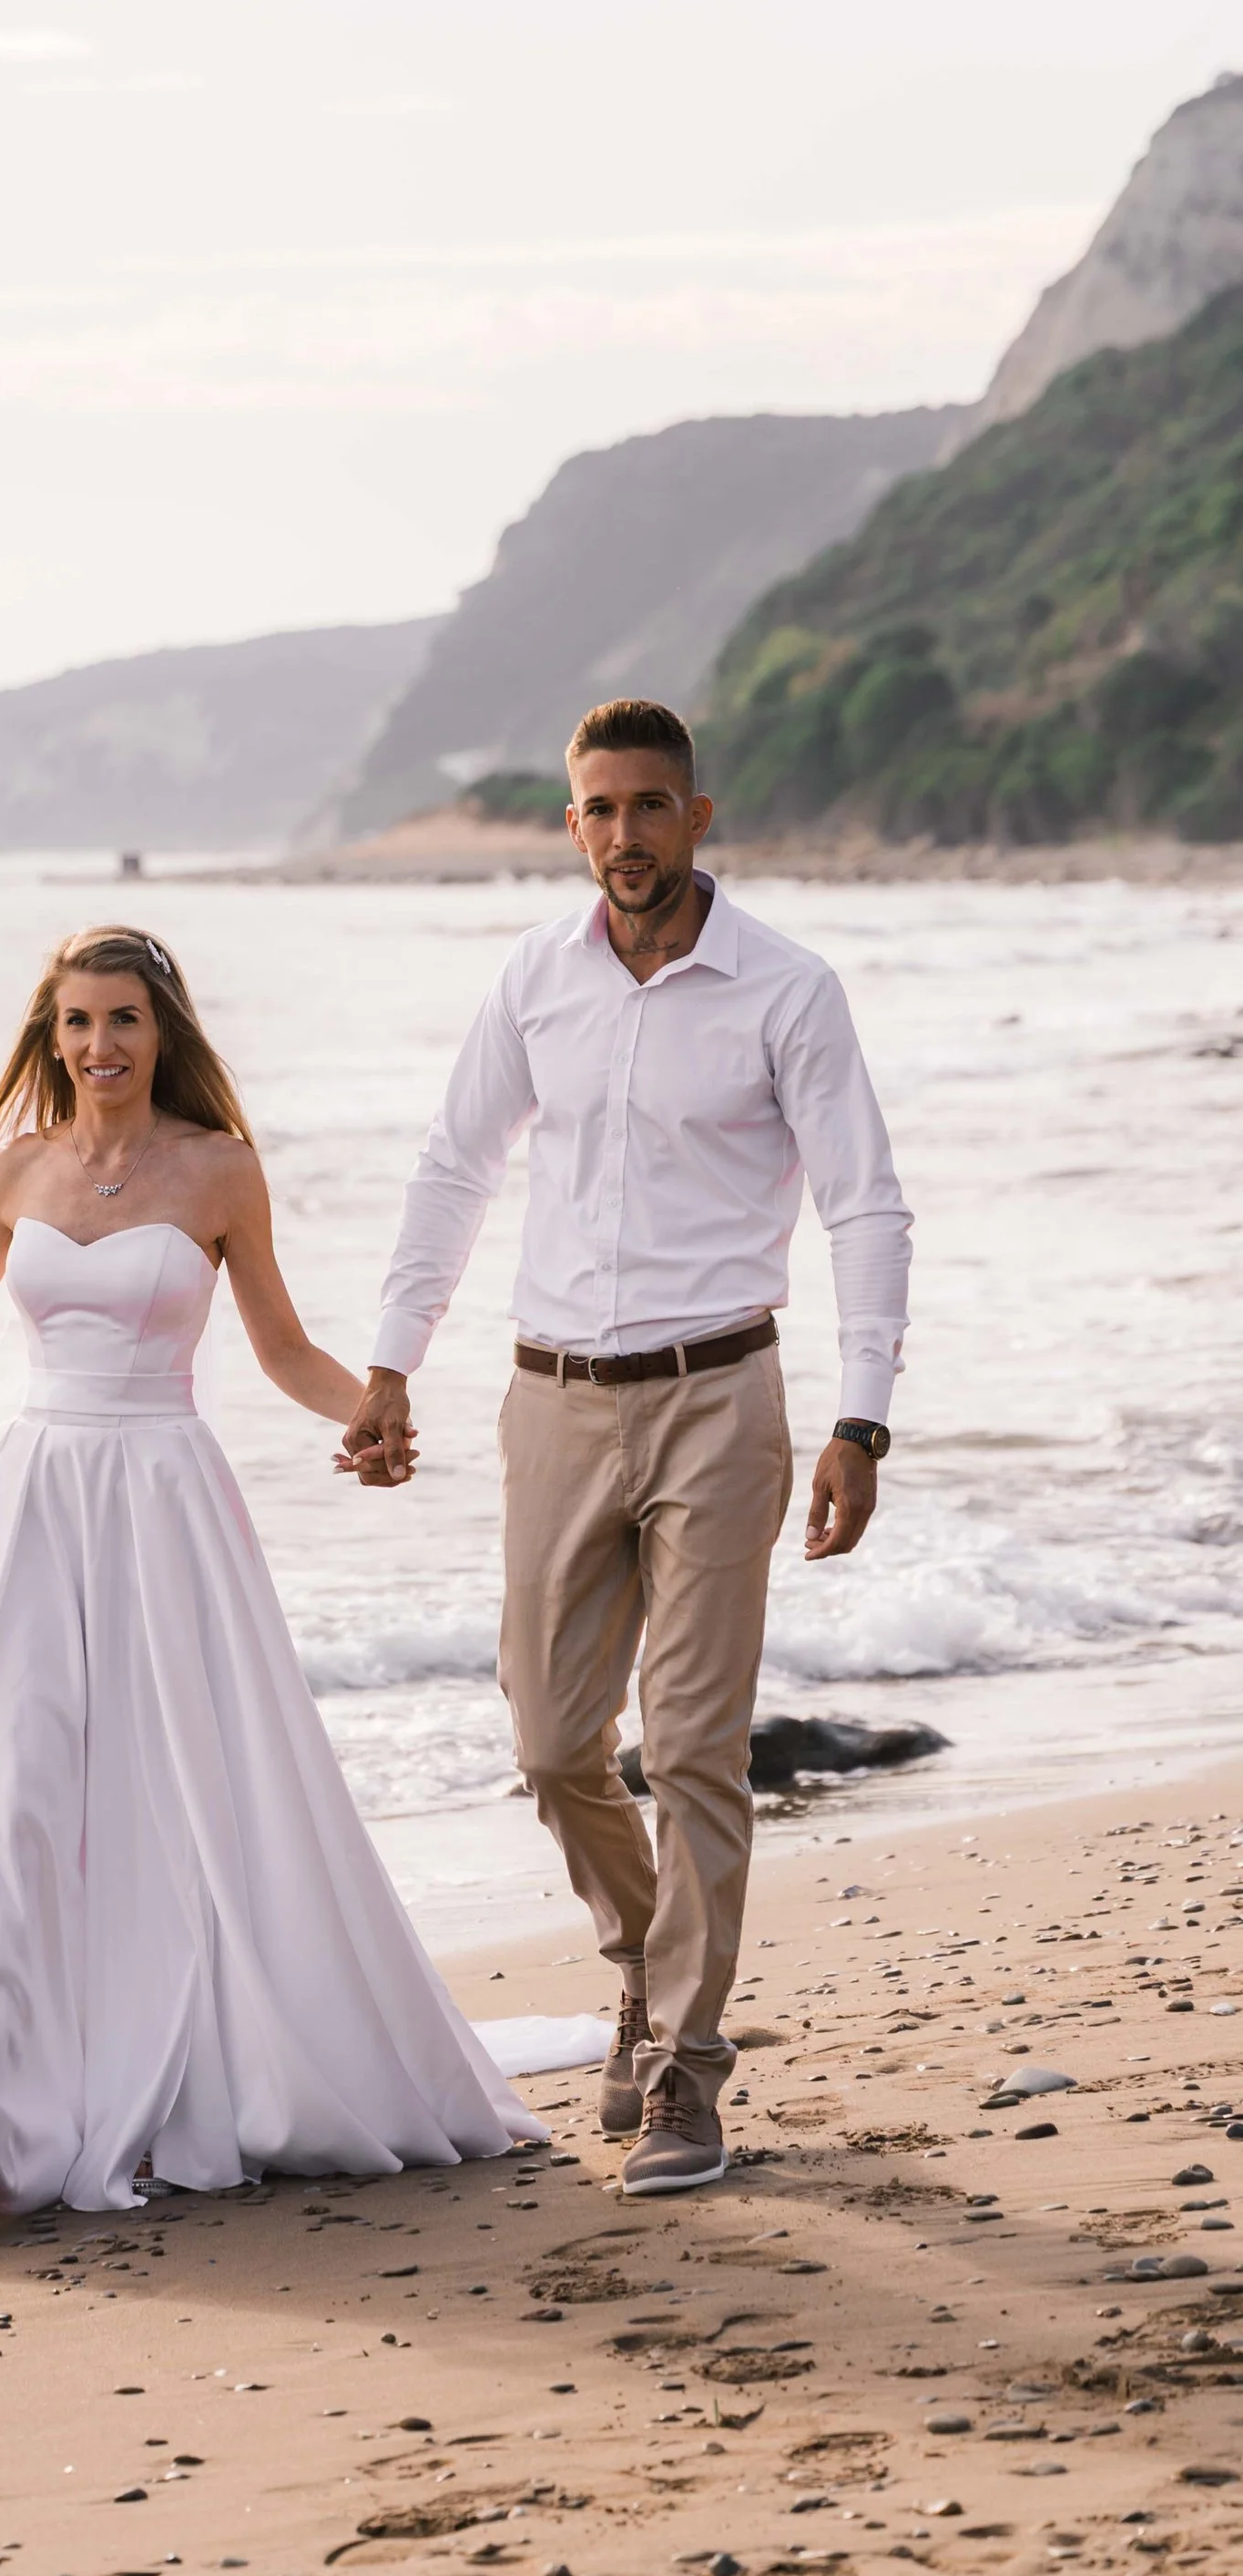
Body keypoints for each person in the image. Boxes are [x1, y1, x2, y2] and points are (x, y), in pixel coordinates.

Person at [0, 925, 545, 2225]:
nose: (99, 1045)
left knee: (182, 1803)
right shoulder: (16, 1173)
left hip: (168, 1501)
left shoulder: (219, 1171)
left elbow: (281, 1347)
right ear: (47, 1035)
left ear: (161, 1027)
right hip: (39, 1503)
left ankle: (190, 2078)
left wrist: (369, 1412)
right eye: (76, 1022)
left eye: (122, 1019)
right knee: (5, 1796)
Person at [340, 700, 912, 2197]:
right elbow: (456, 1162)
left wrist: (863, 1413)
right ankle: (645, 1974)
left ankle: (687, 2075)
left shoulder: (788, 989)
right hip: (553, 1402)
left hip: (723, 1397)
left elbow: (865, 1205)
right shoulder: (537, 975)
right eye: (599, 810)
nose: (624, 835)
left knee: (702, 1747)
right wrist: (391, 1361)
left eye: (651, 807)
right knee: (548, 1738)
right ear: (573, 822)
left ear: (697, 817)